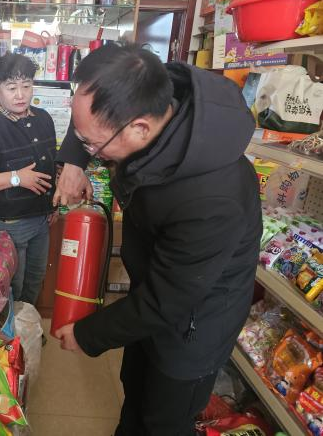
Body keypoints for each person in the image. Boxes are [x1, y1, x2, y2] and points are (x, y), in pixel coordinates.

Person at [53, 44, 262, 436]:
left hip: (194, 325)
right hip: (151, 294)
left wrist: (87, 334)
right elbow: (91, 119)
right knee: (134, 390)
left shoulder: (212, 198)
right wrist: (74, 161)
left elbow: (168, 300)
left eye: (93, 146)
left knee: (163, 420)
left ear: (139, 129)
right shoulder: (143, 87)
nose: (91, 151)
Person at [0, 53, 57, 305]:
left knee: (35, 280)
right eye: (11, 88)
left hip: (41, 220)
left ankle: (27, 326)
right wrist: (16, 178)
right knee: (9, 288)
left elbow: (50, 165)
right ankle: (11, 331)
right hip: (7, 225)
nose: (20, 95)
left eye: (26, 86)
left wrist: (52, 205)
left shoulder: (44, 119)